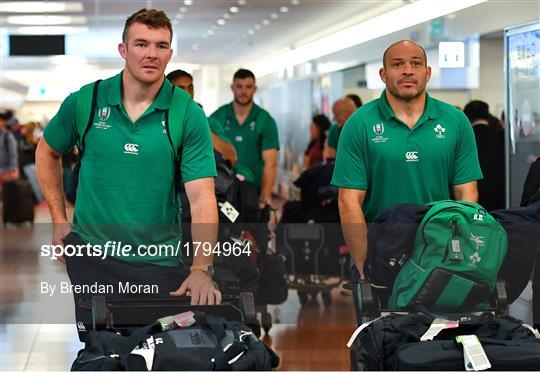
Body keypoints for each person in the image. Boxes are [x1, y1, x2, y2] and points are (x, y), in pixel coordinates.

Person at [35, 8, 221, 339]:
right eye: (141, 44)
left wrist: (200, 269)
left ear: (170, 52)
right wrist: (59, 218)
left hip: (158, 260)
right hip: (92, 255)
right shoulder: (86, 102)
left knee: (156, 353)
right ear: (123, 50)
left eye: (161, 46)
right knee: (101, 351)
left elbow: (203, 197)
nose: (151, 54)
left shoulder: (187, 114)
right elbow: (47, 151)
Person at [332, 40, 482, 284]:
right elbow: (348, 201)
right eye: (397, 64)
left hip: (439, 254)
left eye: (416, 63)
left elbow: (467, 194)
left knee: (441, 324)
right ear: (383, 74)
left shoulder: (456, 121)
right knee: (379, 324)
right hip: (380, 255)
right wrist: (363, 267)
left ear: (428, 72)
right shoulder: (360, 123)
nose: (408, 70)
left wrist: (459, 253)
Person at [210, 68, 279, 213]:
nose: (243, 91)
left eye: (248, 87)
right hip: (222, 191)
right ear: (232, 88)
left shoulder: (264, 120)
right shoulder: (218, 117)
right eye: (239, 86)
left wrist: (265, 198)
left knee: (253, 232)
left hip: (253, 191)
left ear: (254, 89)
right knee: (224, 233)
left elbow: (270, 163)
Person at [166, 69, 237, 166]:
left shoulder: (208, 122)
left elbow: (232, 157)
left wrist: (201, 125)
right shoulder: (160, 120)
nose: (187, 93)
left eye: (190, 88)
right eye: (181, 88)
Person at [464, 100, 505, 211]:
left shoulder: (465, 138)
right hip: (502, 195)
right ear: (487, 115)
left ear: (467, 116)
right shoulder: (501, 136)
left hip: (475, 195)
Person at [0, 110, 20, 185]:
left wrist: (14, 168)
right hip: (2, 167)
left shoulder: (7, 135)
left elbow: (13, 153)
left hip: (7, 168)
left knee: (8, 190)